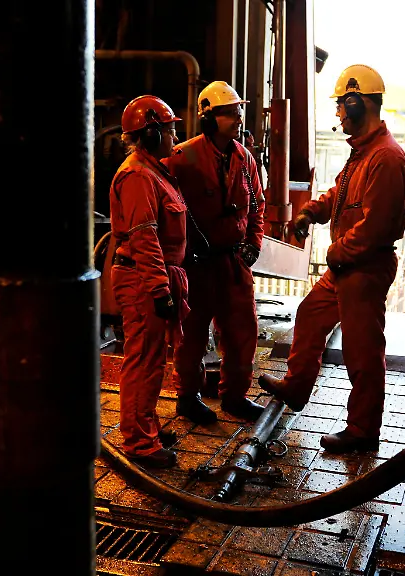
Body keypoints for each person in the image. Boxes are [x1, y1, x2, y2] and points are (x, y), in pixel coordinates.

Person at [258, 64, 405, 453]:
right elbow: (340, 195)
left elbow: (375, 229)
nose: (339, 113)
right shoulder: (363, 153)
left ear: (358, 102)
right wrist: (311, 212)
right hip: (347, 265)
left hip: (364, 267)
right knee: (311, 314)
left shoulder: (386, 158)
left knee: (362, 352)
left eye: (342, 104)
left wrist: (333, 252)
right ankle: (296, 387)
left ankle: (362, 431)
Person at [163, 81, 266, 423]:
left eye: (238, 112)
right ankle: (188, 397)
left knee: (242, 332)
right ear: (208, 118)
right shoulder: (182, 158)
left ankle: (235, 397)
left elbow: (257, 206)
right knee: (192, 334)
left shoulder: (244, 159)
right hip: (197, 264)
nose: (238, 118)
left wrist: (254, 243)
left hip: (234, 262)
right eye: (229, 113)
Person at [109, 95, 188, 468]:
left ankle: (146, 424)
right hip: (142, 278)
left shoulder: (154, 171)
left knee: (152, 359)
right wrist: (159, 289)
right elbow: (144, 236)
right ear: (152, 134)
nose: (175, 138)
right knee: (143, 360)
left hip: (149, 275)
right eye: (170, 131)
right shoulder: (139, 176)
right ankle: (139, 442)